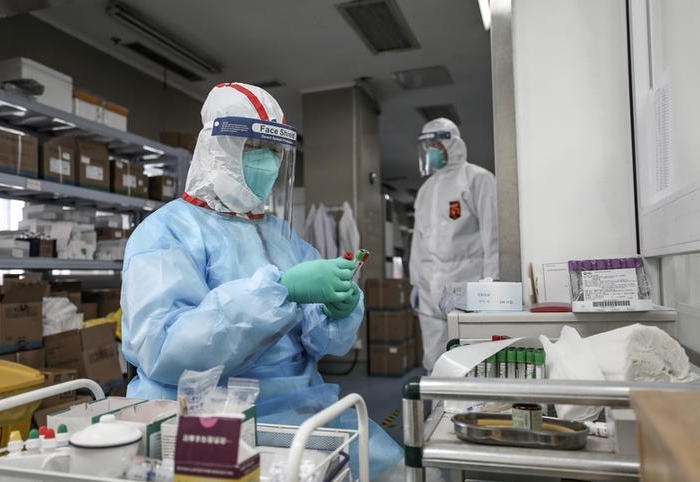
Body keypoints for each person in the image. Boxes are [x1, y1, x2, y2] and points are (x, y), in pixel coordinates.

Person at [120, 82, 402, 479]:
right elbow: (167, 351)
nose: (268, 163)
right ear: (218, 150)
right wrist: (280, 290)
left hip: (302, 410)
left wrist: (337, 308)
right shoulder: (165, 234)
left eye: (274, 151)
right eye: (255, 150)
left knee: (395, 468)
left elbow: (326, 343)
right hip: (205, 417)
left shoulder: (283, 238)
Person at [409, 118, 499, 371]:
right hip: (429, 290)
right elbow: (418, 241)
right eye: (427, 146)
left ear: (452, 143)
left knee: (471, 359)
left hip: (467, 287)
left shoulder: (478, 179)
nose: (431, 151)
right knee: (434, 361)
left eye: (436, 144)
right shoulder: (426, 190)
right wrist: (415, 282)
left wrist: (492, 283)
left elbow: (492, 237)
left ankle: (470, 409)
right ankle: (439, 408)